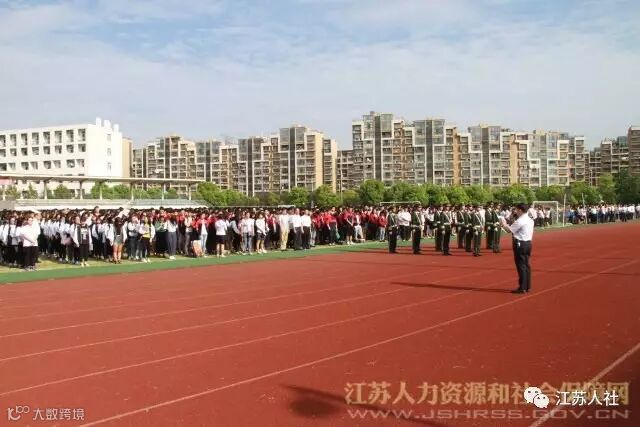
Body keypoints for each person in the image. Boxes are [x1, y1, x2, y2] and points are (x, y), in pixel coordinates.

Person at [500, 203, 534, 294]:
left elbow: (509, 230)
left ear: (520, 210)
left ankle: (522, 287)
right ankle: (527, 286)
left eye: (516, 209)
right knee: (526, 265)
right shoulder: (530, 220)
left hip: (520, 243)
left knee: (521, 265)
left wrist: (503, 224)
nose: (515, 211)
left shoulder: (520, 220)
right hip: (528, 243)